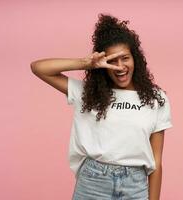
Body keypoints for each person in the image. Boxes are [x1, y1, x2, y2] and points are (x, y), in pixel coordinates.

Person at [31, 13, 173, 200]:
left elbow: (157, 161)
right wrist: (86, 63)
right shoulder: (88, 94)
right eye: (112, 61)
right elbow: (38, 68)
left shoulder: (156, 99)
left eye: (125, 58)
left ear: (135, 59)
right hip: (93, 183)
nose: (120, 66)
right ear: (103, 64)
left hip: (135, 186)